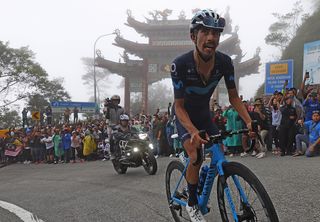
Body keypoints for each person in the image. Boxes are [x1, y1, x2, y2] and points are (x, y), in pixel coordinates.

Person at [170, 9, 253, 222]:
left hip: (204, 114)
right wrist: (192, 131)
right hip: (185, 116)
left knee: (219, 153)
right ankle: (192, 203)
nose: (211, 38)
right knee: (195, 155)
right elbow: (179, 106)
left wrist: (249, 120)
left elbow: (234, 97)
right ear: (193, 37)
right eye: (205, 32)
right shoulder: (180, 64)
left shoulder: (225, 62)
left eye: (215, 33)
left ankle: (201, 176)